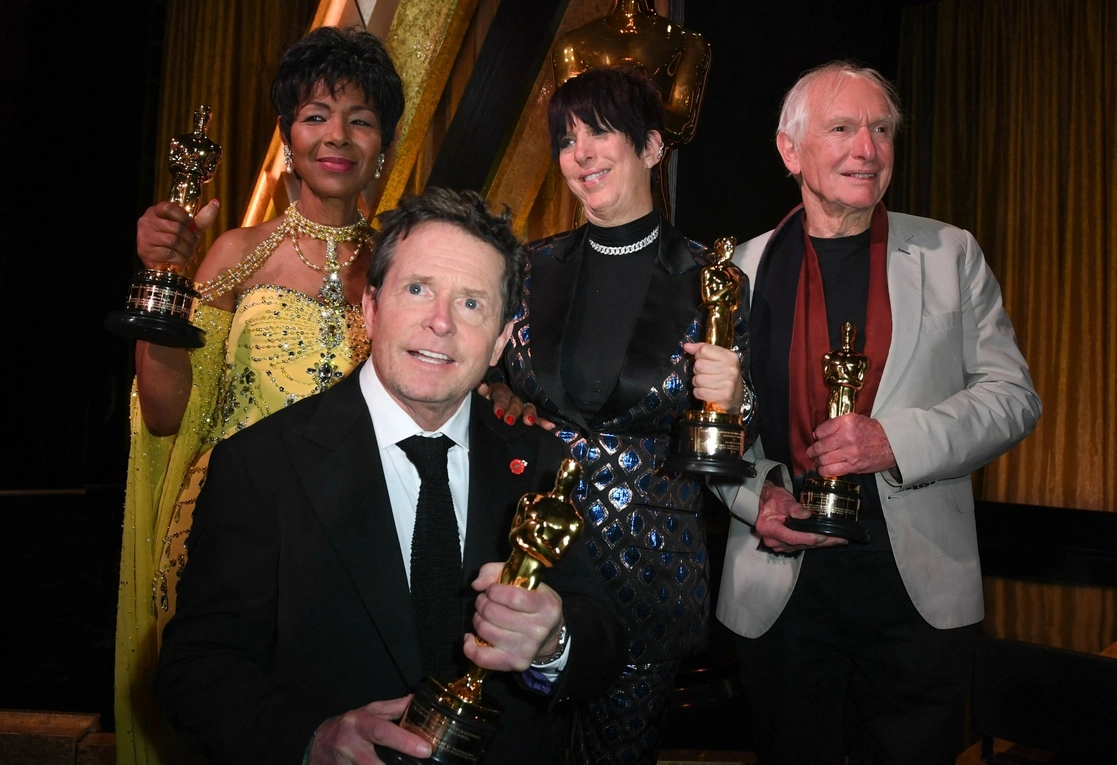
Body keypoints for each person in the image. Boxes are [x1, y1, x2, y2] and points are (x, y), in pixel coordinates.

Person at [155, 186, 626, 765]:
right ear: (371, 308)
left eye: (472, 303)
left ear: (501, 339)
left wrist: (555, 643)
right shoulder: (260, 465)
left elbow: (603, 645)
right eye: (418, 289)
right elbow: (195, 669)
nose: (440, 323)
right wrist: (310, 739)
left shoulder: (544, 465)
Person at [713, 61, 1042, 764]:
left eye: (882, 129)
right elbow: (713, 420)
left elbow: (1013, 397)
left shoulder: (950, 253)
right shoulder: (737, 270)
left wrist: (894, 440)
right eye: (842, 128)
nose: (867, 148)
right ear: (790, 150)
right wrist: (753, 497)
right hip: (779, 582)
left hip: (916, 589)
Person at [114, 25, 405, 765]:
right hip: (237, 544)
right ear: (286, 137)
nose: (336, 136)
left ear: (385, 146)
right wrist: (166, 277)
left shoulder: (402, 267)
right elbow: (167, 414)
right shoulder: (236, 254)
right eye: (315, 116)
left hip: (363, 542)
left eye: (361, 119)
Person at [488, 64, 754, 765]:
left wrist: (737, 400)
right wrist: (497, 395)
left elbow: (742, 436)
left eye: (600, 132)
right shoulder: (528, 268)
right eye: (566, 139)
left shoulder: (712, 279)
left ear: (652, 146)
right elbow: (482, 378)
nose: (580, 154)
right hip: (527, 559)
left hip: (648, 571)